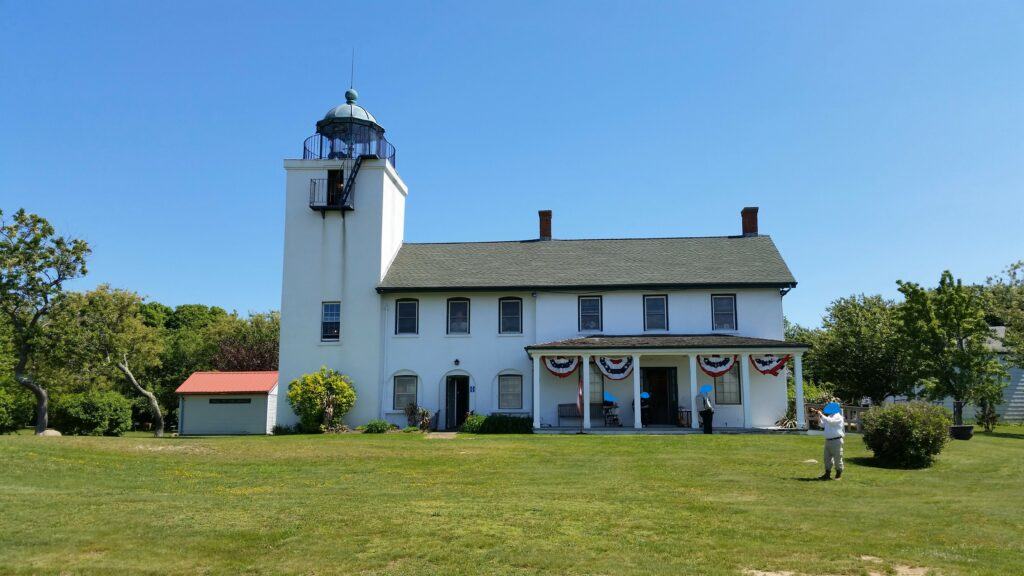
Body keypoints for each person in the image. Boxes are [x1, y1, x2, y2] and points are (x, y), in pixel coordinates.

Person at [816, 403, 845, 480]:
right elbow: (821, 425)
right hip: (828, 441)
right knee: (827, 458)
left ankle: (838, 474)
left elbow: (830, 421)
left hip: (836, 441)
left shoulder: (838, 417)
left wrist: (821, 415)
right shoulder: (829, 416)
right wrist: (819, 416)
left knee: (837, 458)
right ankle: (827, 474)